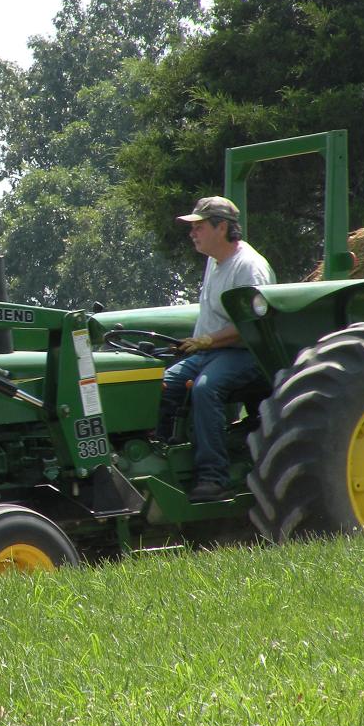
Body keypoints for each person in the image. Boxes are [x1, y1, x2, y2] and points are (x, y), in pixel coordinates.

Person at [156, 196, 275, 502]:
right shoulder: (214, 260)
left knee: (205, 390)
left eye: (198, 227)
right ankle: (162, 458)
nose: (192, 233)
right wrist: (203, 344)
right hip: (212, 352)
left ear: (221, 227)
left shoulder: (249, 267)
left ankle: (213, 477)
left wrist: (207, 340)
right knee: (164, 383)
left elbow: (252, 326)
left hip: (247, 354)